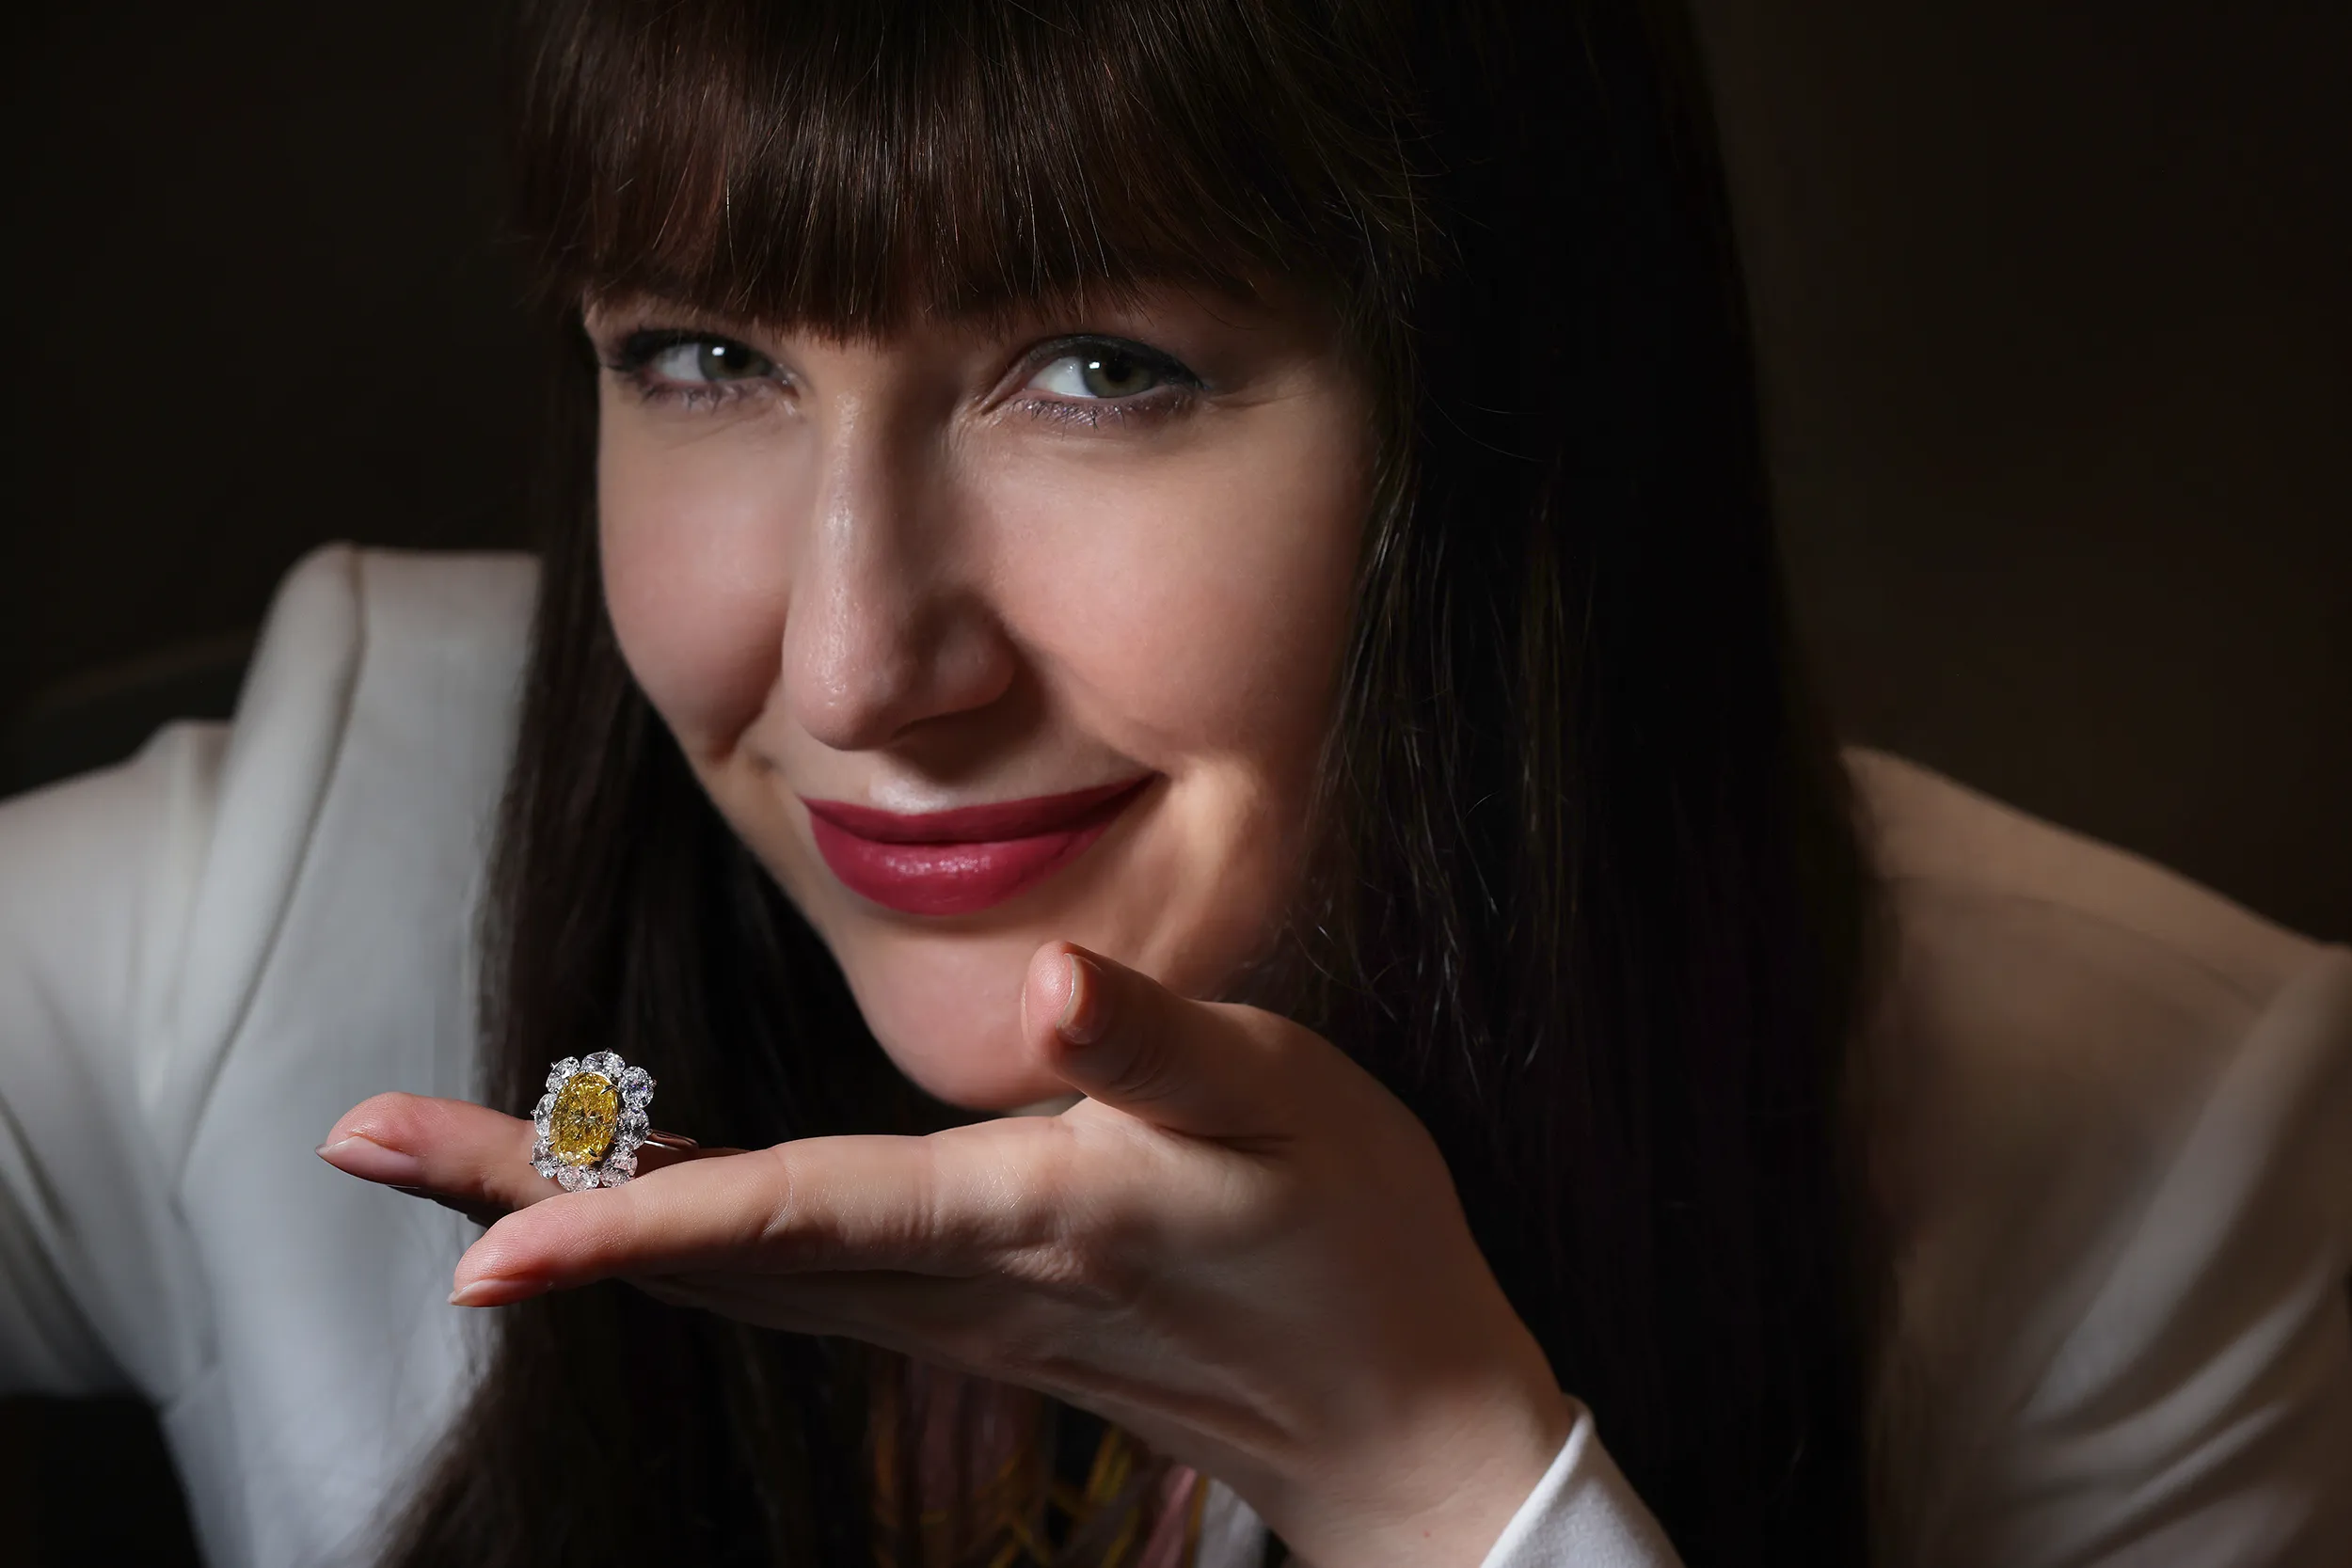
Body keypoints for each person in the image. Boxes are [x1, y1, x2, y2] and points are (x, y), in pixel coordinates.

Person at [3, 0, 2347, 1563]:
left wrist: (1439, 1466)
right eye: (703, 352)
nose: (852, 661)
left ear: (1509, 412)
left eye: (1100, 366)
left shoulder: (2157, 1162)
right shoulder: (280, 880)